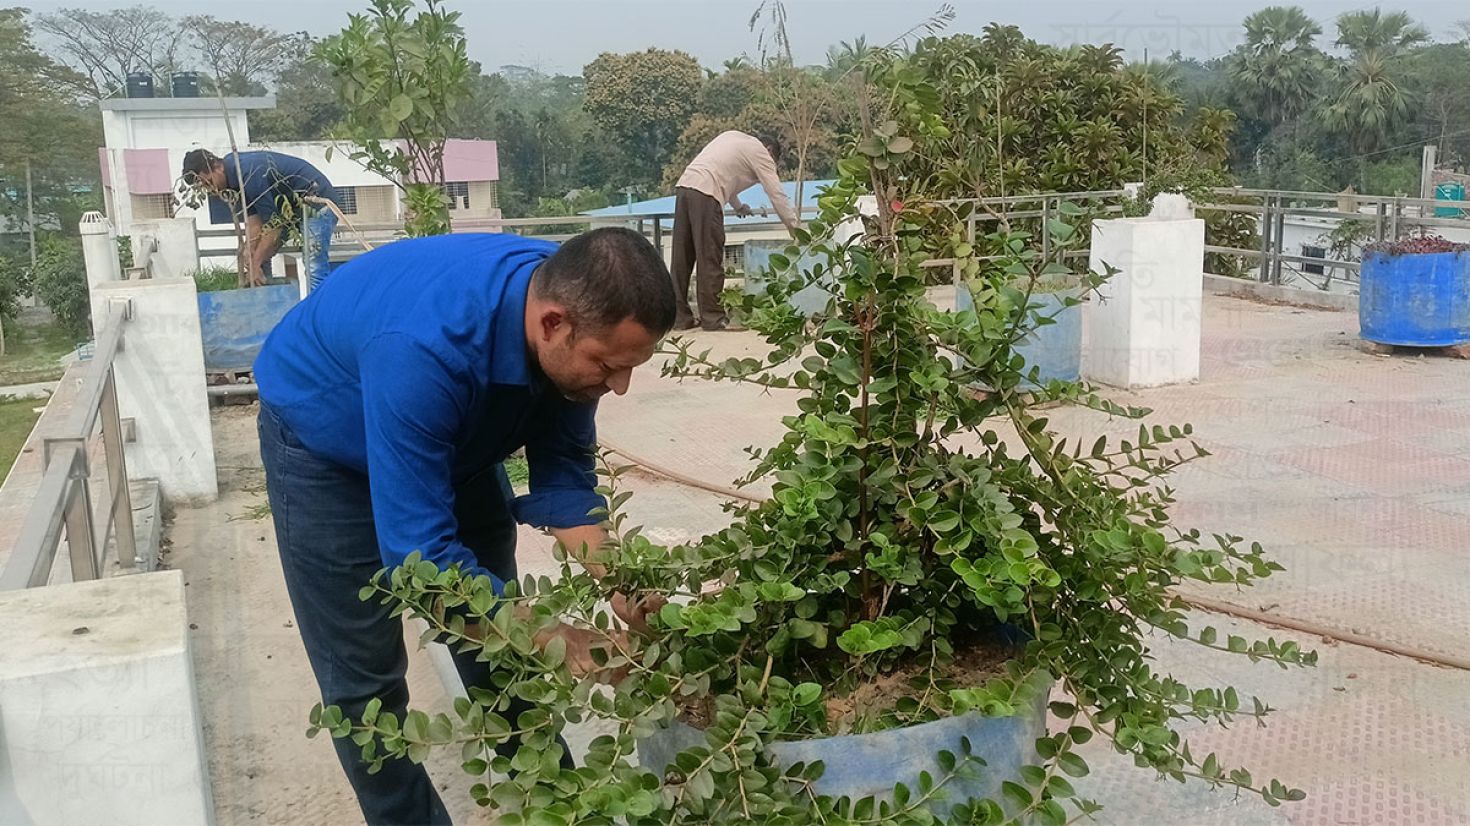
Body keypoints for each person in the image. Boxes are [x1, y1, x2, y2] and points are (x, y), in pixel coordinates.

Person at [253, 228, 677, 825]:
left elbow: (565, 479)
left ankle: (558, 810)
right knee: (365, 689)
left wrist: (624, 583)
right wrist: (558, 637)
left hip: (449, 436)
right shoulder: (425, 348)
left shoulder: (573, 299)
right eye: (608, 365)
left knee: (500, 654)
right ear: (552, 324)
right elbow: (426, 570)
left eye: (631, 366)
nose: (620, 385)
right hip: (326, 449)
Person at [671, 130, 800, 331]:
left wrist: (738, 206)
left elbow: (724, 174)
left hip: (685, 188)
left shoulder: (733, 137)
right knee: (709, 256)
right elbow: (776, 194)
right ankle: (713, 318)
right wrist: (795, 229)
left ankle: (679, 317)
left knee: (682, 257)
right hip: (707, 195)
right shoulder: (760, 152)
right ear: (769, 150)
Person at [181, 148, 340, 290]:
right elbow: (254, 221)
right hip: (289, 210)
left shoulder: (247, 171)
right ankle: (266, 300)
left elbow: (273, 227)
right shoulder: (232, 182)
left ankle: (321, 316)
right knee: (258, 255)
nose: (212, 189)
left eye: (209, 182)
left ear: (217, 167)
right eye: (205, 187)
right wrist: (249, 252)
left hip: (317, 201)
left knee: (314, 265)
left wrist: (255, 263)